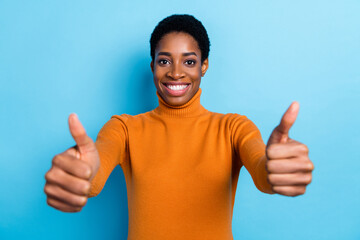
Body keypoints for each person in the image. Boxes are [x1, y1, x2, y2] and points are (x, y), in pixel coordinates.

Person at [44, 14, 314, 239]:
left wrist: (274, 169)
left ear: (204, 66)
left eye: (189, 61)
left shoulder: (233, 127)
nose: (175, 72)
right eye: (164, 61)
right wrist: (81, 173)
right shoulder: (124, 129)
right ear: (152, 66)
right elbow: (94, 172)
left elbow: (261, 169)